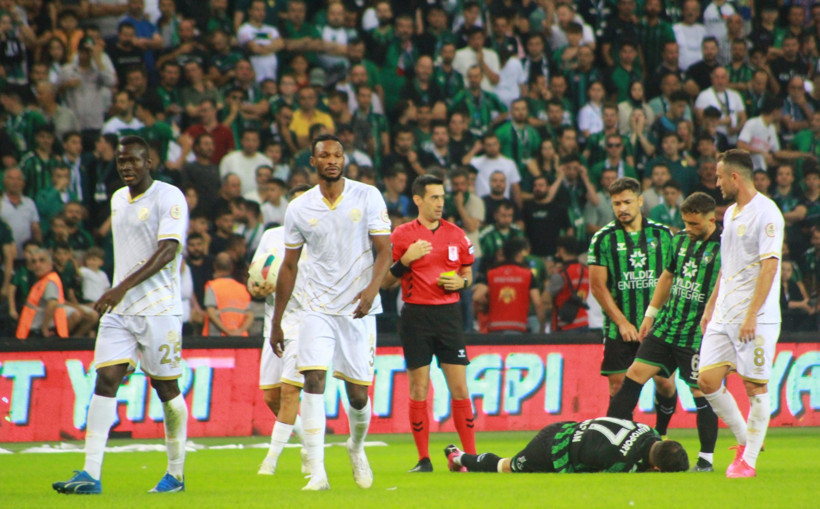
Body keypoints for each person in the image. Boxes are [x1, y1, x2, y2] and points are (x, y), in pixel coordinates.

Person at [53, 135, 189, 494]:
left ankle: (175, 474)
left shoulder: (169, 196)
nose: (127, 166)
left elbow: (168, 250)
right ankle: (90, 474)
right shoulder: (117, 199)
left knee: (166, 389)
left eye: (134, 160)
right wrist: (119, 292)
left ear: (149, 161)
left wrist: (121, 286)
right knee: (105, 380)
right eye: (121, 161)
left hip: (159, 309)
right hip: (120, 310)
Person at [271, 134, 391, 491]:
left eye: (337, 154)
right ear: (313, 162)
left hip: (357, 308)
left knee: (357, 395)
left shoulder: (367, 195)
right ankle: (317, 473)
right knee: (313, 380)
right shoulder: (299, 208)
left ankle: (356, 446)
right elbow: (289, 266)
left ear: (344, 159)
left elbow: (384, 251)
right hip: (316, 307)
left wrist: (371, 290)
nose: (332, 160)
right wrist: (277, 321)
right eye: (324, 155)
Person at [607, 192, 721, 472]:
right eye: (685, 223)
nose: (688, 230)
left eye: (695, 224)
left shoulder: (726, 248)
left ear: (711, 219)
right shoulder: (680, 240)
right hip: (666, 327)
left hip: (695, 335)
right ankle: (609, 444)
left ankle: (705, 460)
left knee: (700, 392)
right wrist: (650, 316)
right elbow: (667, 277)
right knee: (632, 377)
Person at [698, 149, 784, 478]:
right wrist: (710, 307)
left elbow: (769, 267)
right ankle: (745, 439)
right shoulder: (731, 213)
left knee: (755, 388)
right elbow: (727, 265)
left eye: (719, 177)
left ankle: (747, 461)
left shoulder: (767, 213)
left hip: (755, 318)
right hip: (723, 314)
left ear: (735, 177)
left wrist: (751, 315)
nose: (716, 183)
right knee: (706, 380)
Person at [383, 174, 475, 473]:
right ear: (418, 200)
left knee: (459, 389)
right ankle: (424, 460)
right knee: (419, 389)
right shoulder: (401, 235)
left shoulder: (457, 235)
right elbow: (385, 281)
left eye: (442, 197)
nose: (440, 203)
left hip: (449, 317)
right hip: (415, 317)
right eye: (434, 197)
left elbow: (468, 275)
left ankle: (470, 458)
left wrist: (460, 283)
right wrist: (405, 260)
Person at [587, 177, 678, 437]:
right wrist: (622, 322)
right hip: (620, 328)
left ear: (639, 200)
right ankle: (619, 442)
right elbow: (598, 287)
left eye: (627, 202)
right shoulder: (602, 239)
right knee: (618, 387)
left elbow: (675, 278)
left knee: (666, 384)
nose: (622, 208)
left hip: (659, 326)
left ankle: (660, 435)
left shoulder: (663, 235)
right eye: (616, 204)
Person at [250, 185, 310, 476]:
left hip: (304, 323)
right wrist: (258, 286)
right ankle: (311, 445)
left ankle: (270, 461)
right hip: (273, 324)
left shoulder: (320, 239)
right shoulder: (271, 236)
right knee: (271, 398)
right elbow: (255, 274)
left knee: (289, 393)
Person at [444, 417, 689, 473]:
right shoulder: (623, 462)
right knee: (505, 466)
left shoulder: (650, 430)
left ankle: (459, 457)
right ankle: (457, 456)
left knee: (507, 463)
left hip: (565, 427)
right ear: (657, 468)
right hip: (550, 450)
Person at [15, 248, 69, 340]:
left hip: (41, 335)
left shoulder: (50, 281)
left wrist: (44, 328)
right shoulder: (42, 281)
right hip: (36, 333)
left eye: (42, 260)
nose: (37, 265)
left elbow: (52, 303)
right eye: (34, 262)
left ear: (51, 264)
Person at [202, 253, 253, 337]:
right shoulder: (242, 288)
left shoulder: (212, 286)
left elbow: (211, 312)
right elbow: (250, 315)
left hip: (217, 339)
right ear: (232, 267)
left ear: (215, 266)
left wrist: (228, 331)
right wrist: (239, 331)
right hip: (241, 339)